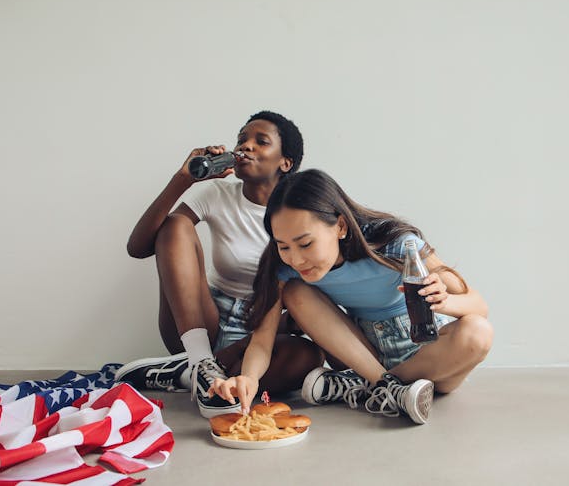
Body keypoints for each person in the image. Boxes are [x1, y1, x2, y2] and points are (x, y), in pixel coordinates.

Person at [210, 169, 492, 424]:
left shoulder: (396, 243)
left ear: (341, 227)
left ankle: (368, 387)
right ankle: (382, 386)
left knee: (478, 333)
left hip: (432, 354)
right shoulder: (284, 269)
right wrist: (247, 379)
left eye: (306, 243)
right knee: (297, 292)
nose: (296, 259)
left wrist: (444, 301)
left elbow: (478, 305)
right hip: (361, 355)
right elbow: (262, 340)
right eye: (283, 246)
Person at [115, 111, 323, 418]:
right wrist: (184, 178)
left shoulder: (300, 212)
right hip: (199, 321)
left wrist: (253, 339)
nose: (246, 146)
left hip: (260, 330)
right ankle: (200, 363)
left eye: (260, 141)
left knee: (307, 357)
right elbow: (138, 247)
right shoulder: (218, 194)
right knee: (174, 225)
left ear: (285, 163)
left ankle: (186, 375)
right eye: (242, 139)